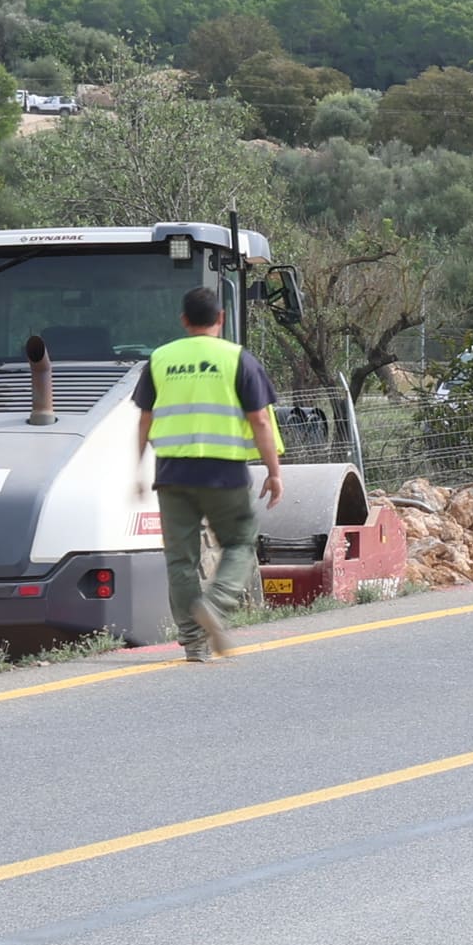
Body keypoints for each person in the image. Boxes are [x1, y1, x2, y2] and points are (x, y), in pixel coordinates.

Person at [134, 283, 284, 661]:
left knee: (180, 560)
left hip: (171, 473)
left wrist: (136, 467)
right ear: (220, 318)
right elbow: (260, 421)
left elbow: (145, 420)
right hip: (224, 473)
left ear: (184, 320)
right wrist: (274, 471)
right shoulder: (238, 358)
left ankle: (193, 642)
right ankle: (214, 608)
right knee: (240, 543)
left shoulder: (160, 359)